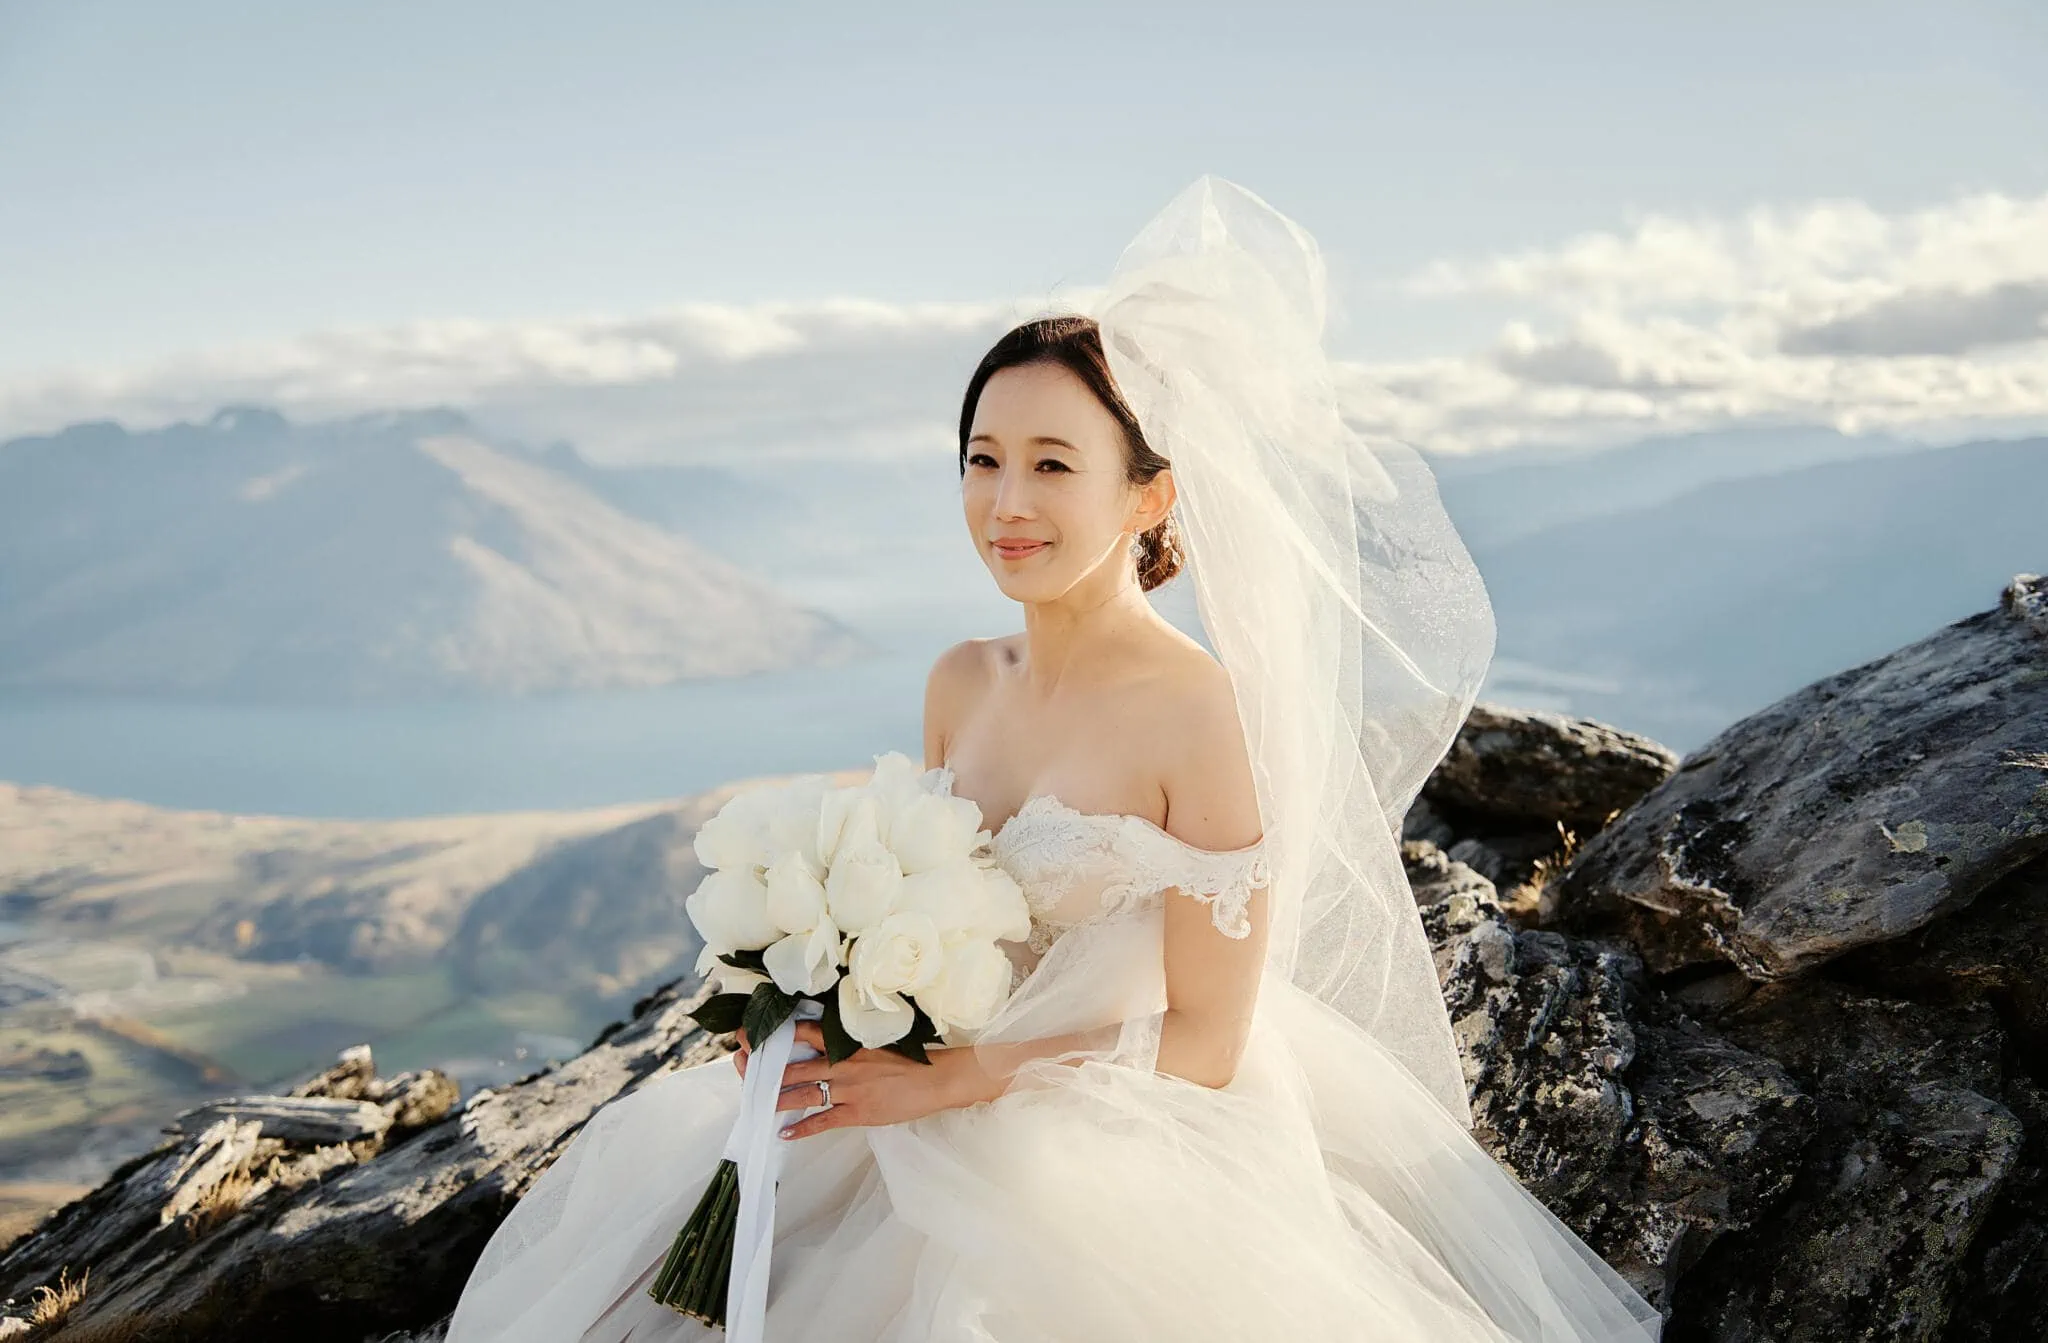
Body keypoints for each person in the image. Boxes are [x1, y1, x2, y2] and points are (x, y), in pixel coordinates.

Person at [445, 177, 1664, 1342]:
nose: (1004, 501)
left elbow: (1204, 1042)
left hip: (1097, 1133)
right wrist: (808, 1005)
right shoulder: (960, 678)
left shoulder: (1202, 712)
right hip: (914, 1088)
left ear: (1149, 496)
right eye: (981, 458)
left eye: (1051, 463)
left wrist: (959, 1079)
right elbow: (932, 922)